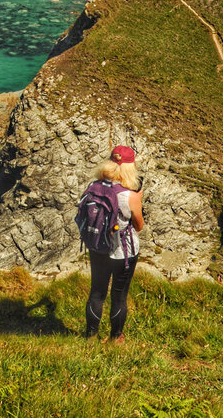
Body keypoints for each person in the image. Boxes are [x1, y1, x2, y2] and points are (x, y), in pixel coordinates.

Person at [85, 145, 144, 343]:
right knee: (119, 295)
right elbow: (139, 226)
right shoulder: (130, 196)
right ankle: (115, 338)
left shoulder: (94, 187)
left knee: (97, 292)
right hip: (123, 252)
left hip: (98, 246)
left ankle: (91, 337)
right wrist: (139, 199)